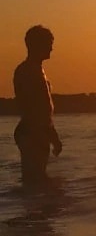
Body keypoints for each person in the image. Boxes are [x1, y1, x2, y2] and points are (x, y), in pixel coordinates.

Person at [13, 25, 62, 189]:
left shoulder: (37, 70)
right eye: (49, 43)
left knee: (39, 180)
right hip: (32, 131)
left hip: (39, 131)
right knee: (35, 181)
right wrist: (48, 132)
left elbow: (44, 108)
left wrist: (51, 133)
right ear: (37, 45)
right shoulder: (27, 71)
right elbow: (33, 107)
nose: (52, 47)